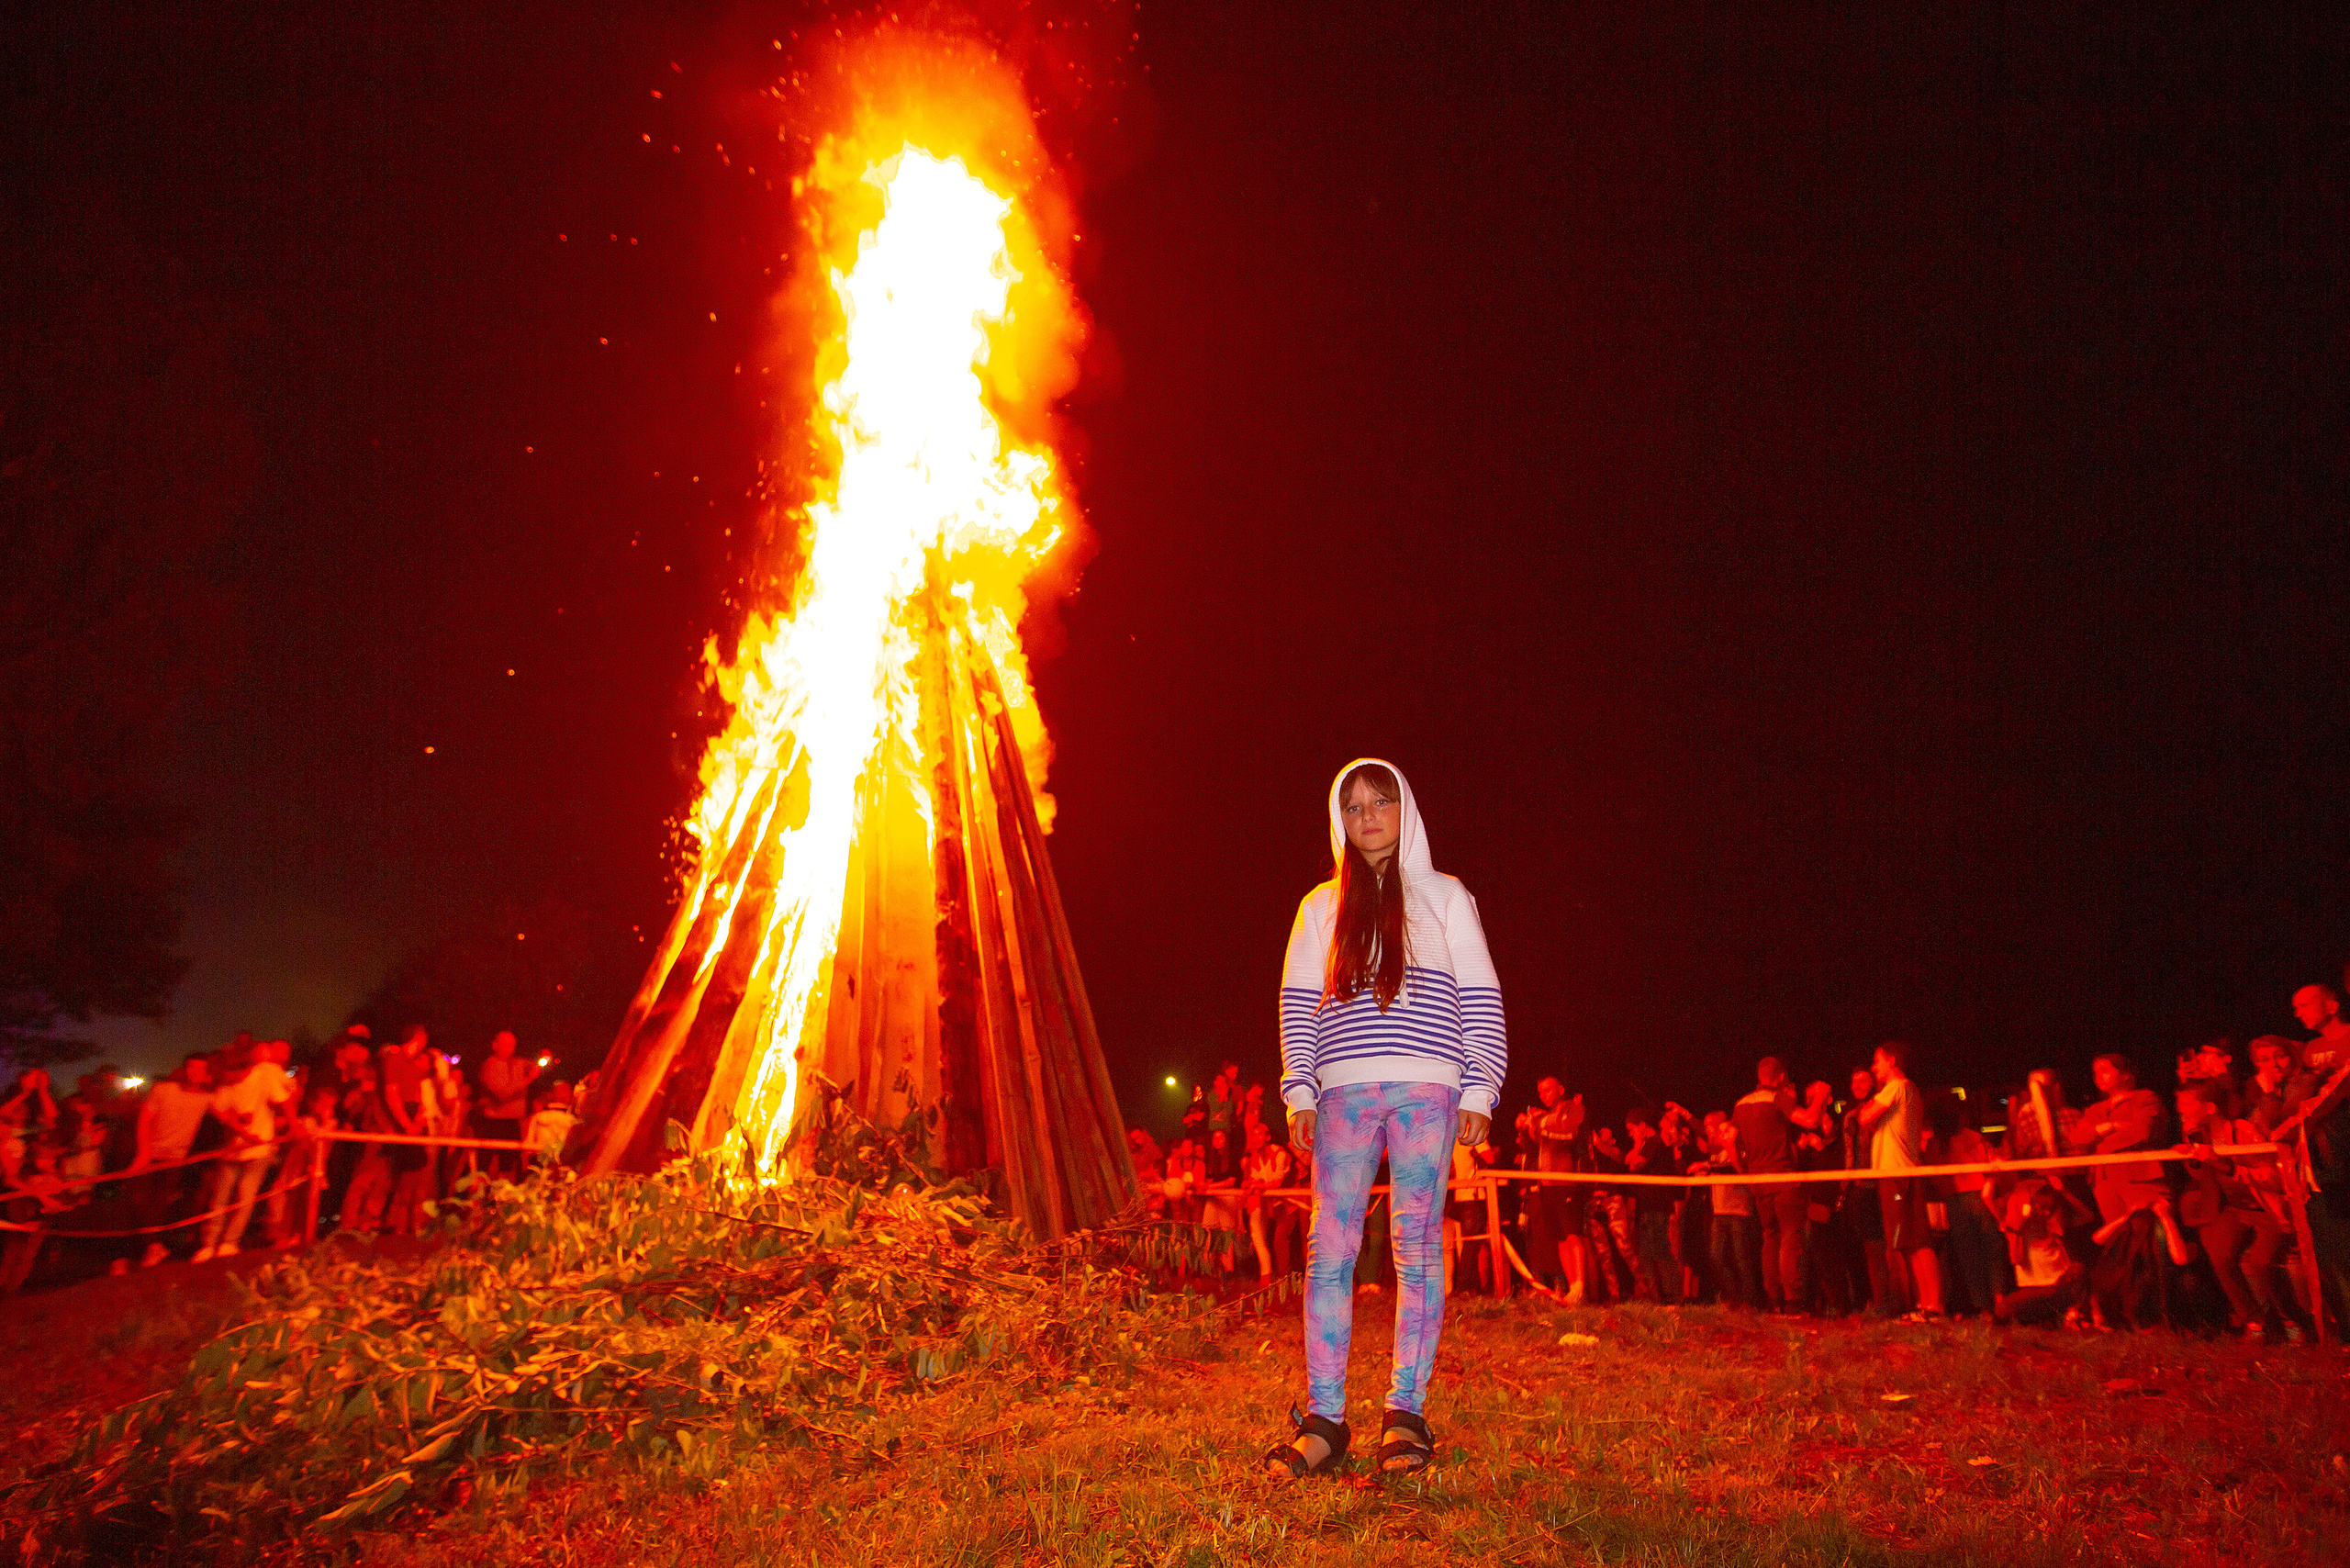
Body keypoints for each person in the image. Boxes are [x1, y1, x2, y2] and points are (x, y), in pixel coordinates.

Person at [1266, 759, 1505, 1480]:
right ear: (1338, 819)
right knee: (1329, 1250)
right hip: (1343, 1095)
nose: (1368, 815)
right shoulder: (1319, 908)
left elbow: (1482, 992)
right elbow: (1296, 1002)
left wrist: (1479, 1090)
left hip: (1427, 1092)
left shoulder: (1446, 897)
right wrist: (1299, 1090)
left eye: (1382, 800)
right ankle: (1325, 1418)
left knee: (1416, 1247)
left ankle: (1405, 1412)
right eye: (1354, 804)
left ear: (1407, 809)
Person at [1854, 1041, 1944, 1323]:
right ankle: (1926, 1305)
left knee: (1918, 1241)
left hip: (1899, 1174)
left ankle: (1935, 1306)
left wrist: (1867, 1106)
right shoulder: (1902, 1091)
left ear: (1892, 1061)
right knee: (1908, 1243)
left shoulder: (1898, 1087)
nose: (1873, 1067)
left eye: (1877, 1061)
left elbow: (1864, 1117)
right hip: (1895, 1174)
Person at [1732, 1057, 1822, 1315]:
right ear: (1781, 1077)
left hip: (1758, 1182)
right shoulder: (1777, 1098)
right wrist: (1821, 1096)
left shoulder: (1741, 1104)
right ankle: (1793, 1301)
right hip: (1781, 1176)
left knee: (1770, 1237)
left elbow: (1731, 1142)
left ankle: (1774, 1300)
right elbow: (1810, 1121)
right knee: (1790, 1236)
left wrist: (1743, 1170)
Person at [194, 1036, 293, 1261]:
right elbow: (222, 1113)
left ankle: (230, 1242)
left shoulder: (264, 1076)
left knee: (245, 1199)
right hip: (233, 1149)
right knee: (220, 1198)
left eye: (231, 1071)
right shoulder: (227, 1086)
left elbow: (284, 1099)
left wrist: (293, 1127)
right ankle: (209, 1244)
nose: (227, 1076)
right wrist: (244, 1130)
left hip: (259, 1150)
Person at [2065, 1053, 2166, 1223]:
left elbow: (2142, 1131)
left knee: (2151, 1228)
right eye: (2095, 1072)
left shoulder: (2145, 1098)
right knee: (2117, 1233)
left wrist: (2100, 1140)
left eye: (2104, 1070)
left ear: (2126, 1074)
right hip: (2103, 1179)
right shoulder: (2095, 1110)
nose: (2098, 1077)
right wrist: (2107, 1128)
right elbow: (2076, 1137)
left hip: (2139, 1176)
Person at [1695, 1110, 1761, 1309]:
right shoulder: (1713, 1150)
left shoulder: (1736, 1142)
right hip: (1719, 1208)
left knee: (1742, 1257)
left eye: (1709, 1126)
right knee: (1716, 1255)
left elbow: (1735, 1168)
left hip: (1738, 1208)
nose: (1706, 1130)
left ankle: (1752, 1301)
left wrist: (1708, 1168)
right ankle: (1735, 1296)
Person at [476, 1030, 540, 1179]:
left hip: (512, 1123)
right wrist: (528, 1079)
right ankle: (478, 1198)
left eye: (512, 1046)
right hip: (492, 1123)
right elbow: (501, 1094)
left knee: (510, 1167)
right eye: (505, 1045)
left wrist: (540, 1063)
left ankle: (504, 1198)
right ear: (495, 1045)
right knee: (484, 1168)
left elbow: (535, 1065)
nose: (509, 1049)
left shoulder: (518, 1063)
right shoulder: (489, 1065)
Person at [2292, 983, 2350, 1076]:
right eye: (2296, 1008)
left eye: (2304, 1005)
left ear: (2331, 1006)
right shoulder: (2311, 1048)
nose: (2298, 1014)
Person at [523, 1082, 577, 1159]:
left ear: (552, 1096)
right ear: (568, 1098)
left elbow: (527, 1148)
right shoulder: (572, 1121)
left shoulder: (536, 1117)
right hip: (562, 1164)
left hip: (539, 1164)